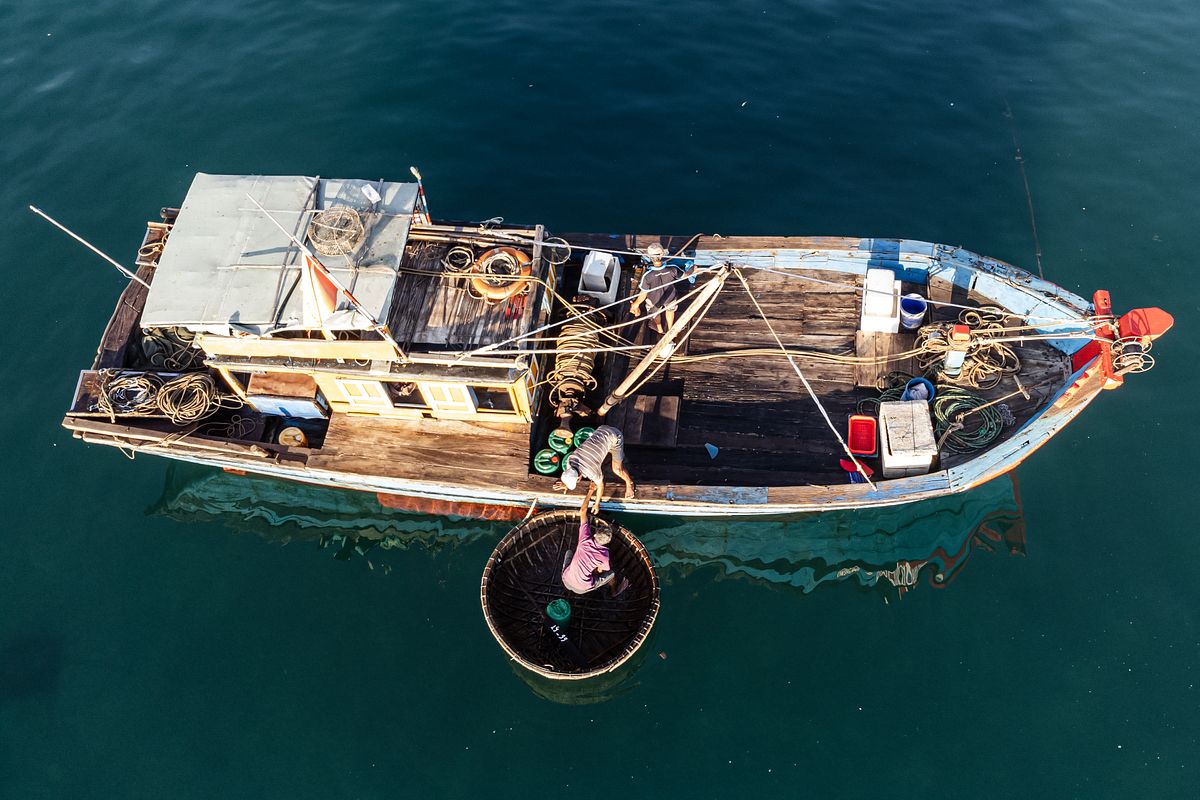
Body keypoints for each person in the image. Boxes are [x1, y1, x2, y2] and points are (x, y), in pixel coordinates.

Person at [559, 424, 635, 511]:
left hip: (615, 436)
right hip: (601, 429)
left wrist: (597, 504)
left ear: (579, 478)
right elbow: (570, 471)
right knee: (600, 459)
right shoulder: (571, 459)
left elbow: (600, 486)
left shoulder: (591, 472)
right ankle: (613, 455)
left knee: (617, 469)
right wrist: (566, 484)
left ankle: (629, 483)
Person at [561, 486, 615, 595]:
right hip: (582, 589)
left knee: (569, 552)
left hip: (565, 580)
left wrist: (590, 491)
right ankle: (614, 591)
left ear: (594, 535)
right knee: (611, 574)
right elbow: (600, 571)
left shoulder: (584, 539)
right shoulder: (605, 555)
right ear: (608, 542)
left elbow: (582, 511)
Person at [629, 243, 686, 334]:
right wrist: (693, 269)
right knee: (670, 311)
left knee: (656, 313)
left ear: (649, 257)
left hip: (654, 300)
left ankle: (659, 328)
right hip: (670, 297)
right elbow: (685, 275)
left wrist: (636, 304)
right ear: (662, 254)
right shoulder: (673, 269)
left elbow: (643, 294)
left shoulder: (647, 276)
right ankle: (671, 330)